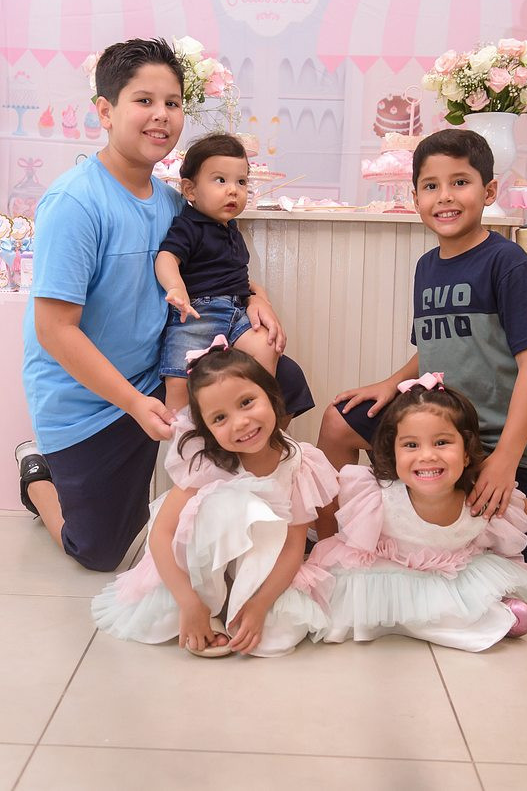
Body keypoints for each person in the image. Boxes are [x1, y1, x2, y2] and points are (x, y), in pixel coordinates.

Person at [18, 37, 313, 572]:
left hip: (160, 374)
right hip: (91, 399)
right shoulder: (75, 203)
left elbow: (222, 269)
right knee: (100, 552)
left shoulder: (177, 202)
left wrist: (259, 299)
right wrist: (134, 404)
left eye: (172, 103)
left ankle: (255, 504)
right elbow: (55, 329)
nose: (161, 115)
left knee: (279, 376)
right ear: (105, 111)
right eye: (144, 101)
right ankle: (37, 476)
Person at [318, 128, 527, 595]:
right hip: (444, 430)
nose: (445, 196)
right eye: (431, 186)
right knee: (338, 421)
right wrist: (391, 382)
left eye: (460, 182)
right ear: (415, 198)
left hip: (508, 440)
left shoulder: (508, 263)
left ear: (489, 191)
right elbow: (437, 345)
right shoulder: (427, 267)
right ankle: (336, 554)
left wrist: (505, 458)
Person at [92, 339, 338, 657]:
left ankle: (241, 598)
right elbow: (162, 535)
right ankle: (207, 604)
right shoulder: (207, 462)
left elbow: (293, 546)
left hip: (257, 561)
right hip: (197, 559)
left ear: (271, 395)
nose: (240, 423)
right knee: (163, 618)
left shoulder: (297, 462)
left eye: (247, 402)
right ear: (206, 429)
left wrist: (260, 605)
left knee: (279, 633)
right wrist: (188, 602)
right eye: (219, 418)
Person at [304, 376, 527, 651]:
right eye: (411, 445)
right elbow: (329, 504)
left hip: (448, 575)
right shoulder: (376, 494)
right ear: (393, 453)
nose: (427, 455)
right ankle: (427, 618)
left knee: (473, 601)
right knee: (341, 604)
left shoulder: (476, 500)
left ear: (466, 453)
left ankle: (466, 613)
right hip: (388, 574)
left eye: (441, 442)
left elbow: (523, 509)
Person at [156, 132, 281, 413]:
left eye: (241, 182)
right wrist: (176, 287)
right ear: (190, 190)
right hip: (199, 315)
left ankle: (259, 412)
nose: (233, 190)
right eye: (220, 180)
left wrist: (259, 296)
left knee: (267, 345)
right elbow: (166, 258)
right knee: (179, 380)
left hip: (237, 314)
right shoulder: (189, 226)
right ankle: (181, 434)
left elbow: (237, 277)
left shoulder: (231, 230)